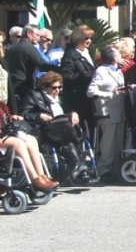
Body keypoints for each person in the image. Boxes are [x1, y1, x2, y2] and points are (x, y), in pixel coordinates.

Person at [20, 71, 87, 182]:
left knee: (67, 134)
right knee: (67, 129)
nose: (57, 90)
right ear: (45, 86)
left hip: (64, 129)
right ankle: (79, 166)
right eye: (54, 87)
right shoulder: (34, 95)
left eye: (60, 87)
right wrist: (39, 115)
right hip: (47, 128)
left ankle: (78, 165)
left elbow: (67, 109)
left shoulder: (59, 97)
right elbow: (24, 113)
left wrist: (73, 113)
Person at [87, 46, 128, 179]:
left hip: (120, 112)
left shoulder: (118, 71)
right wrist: (110, 94)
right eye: (119, 55)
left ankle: (114, 170)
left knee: (117, 144)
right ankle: (103, 170)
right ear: (114, 58)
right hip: (107, 112)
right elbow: (91, 91)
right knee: (108, 144)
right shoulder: (101, 71)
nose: (121, 57)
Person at [6, 23, 59, 105]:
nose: (38, 38)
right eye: (37, 35)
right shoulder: (31, 49)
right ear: (29, 34)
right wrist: (60, 69)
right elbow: (42, 65)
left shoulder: (11, 49)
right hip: (24, 87)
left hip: (11, 86)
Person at [60, 24, 97, 129]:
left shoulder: (89, 52)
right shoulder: (69, 55)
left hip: (88, 99)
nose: (89, 40)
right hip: (76, 100)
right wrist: (84, 75)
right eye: (86, 38)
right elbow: (66, 76)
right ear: (78, 37)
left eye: (91, 38)